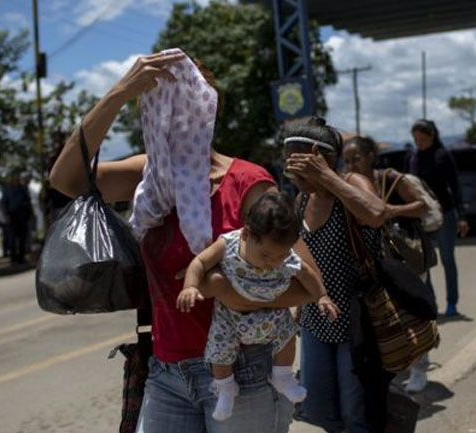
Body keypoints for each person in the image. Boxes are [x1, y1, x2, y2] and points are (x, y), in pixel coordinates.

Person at [49, 50, 313, 433]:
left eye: (178, 107)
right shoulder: (150, 179)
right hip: (166, 372)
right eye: (154, 107)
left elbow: (304, 282)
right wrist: (118, 94)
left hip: (243, 371)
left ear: (204, 111)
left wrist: (228, 290)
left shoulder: (247, 183)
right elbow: (66, 180)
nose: (166, 120)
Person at [177, 192, 338, 421]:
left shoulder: (286, 256)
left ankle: (282, 376)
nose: (272, 262)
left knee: (288, 335)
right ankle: (225, 388)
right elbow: (200, 262)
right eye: (265, 255)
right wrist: (190, 286)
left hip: (273, 316)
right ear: (246, 234)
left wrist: (321, 296)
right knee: (219, 352)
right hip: (231, 319)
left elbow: (306, 273)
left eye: (280, 256)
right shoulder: (228, 244)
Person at [283, 117, 391, 433]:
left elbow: (376, 213)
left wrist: (329, 178)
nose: (295, 178)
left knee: (356, 412)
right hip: (317, 321)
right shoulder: (301, 199)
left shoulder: (353, 183)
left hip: (357, 321)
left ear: (323, 158)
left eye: (301, 169)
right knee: (322, 411)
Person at [342, 135, 431, 393]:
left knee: (413, 315)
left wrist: (391, 210)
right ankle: (395, 366)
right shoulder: (348, 185)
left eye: (355, 158)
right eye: (346, 161)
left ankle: (419, 368)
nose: (350, 165)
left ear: (370, 155)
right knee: (386, 319)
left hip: (404, 259)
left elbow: (422, 206)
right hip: (374, 265)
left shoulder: (390, 178)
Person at [406, 119, 469, 317]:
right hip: (422, 218)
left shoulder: (443, 156)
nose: (419, 143)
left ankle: (452, 303)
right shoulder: (412, 158)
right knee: (423, 262)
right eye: (416, 140)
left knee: (447, 259)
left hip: (445, 215)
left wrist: (462, 216)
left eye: (423, 139)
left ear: (432, 136)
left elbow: (455, 186)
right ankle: (430, 302)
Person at [1, 171, 32, 264]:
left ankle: (21, 257)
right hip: (12, 216)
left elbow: (28, 201)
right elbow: (4, 203)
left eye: (17, 176)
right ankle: (13, 258)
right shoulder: (7, 189)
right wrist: (6, 215)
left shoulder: (23, 188)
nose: (16, 178)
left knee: (22, 237)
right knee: (12, 238)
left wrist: (29, 213)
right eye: (14, 176)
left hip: (22, 216)